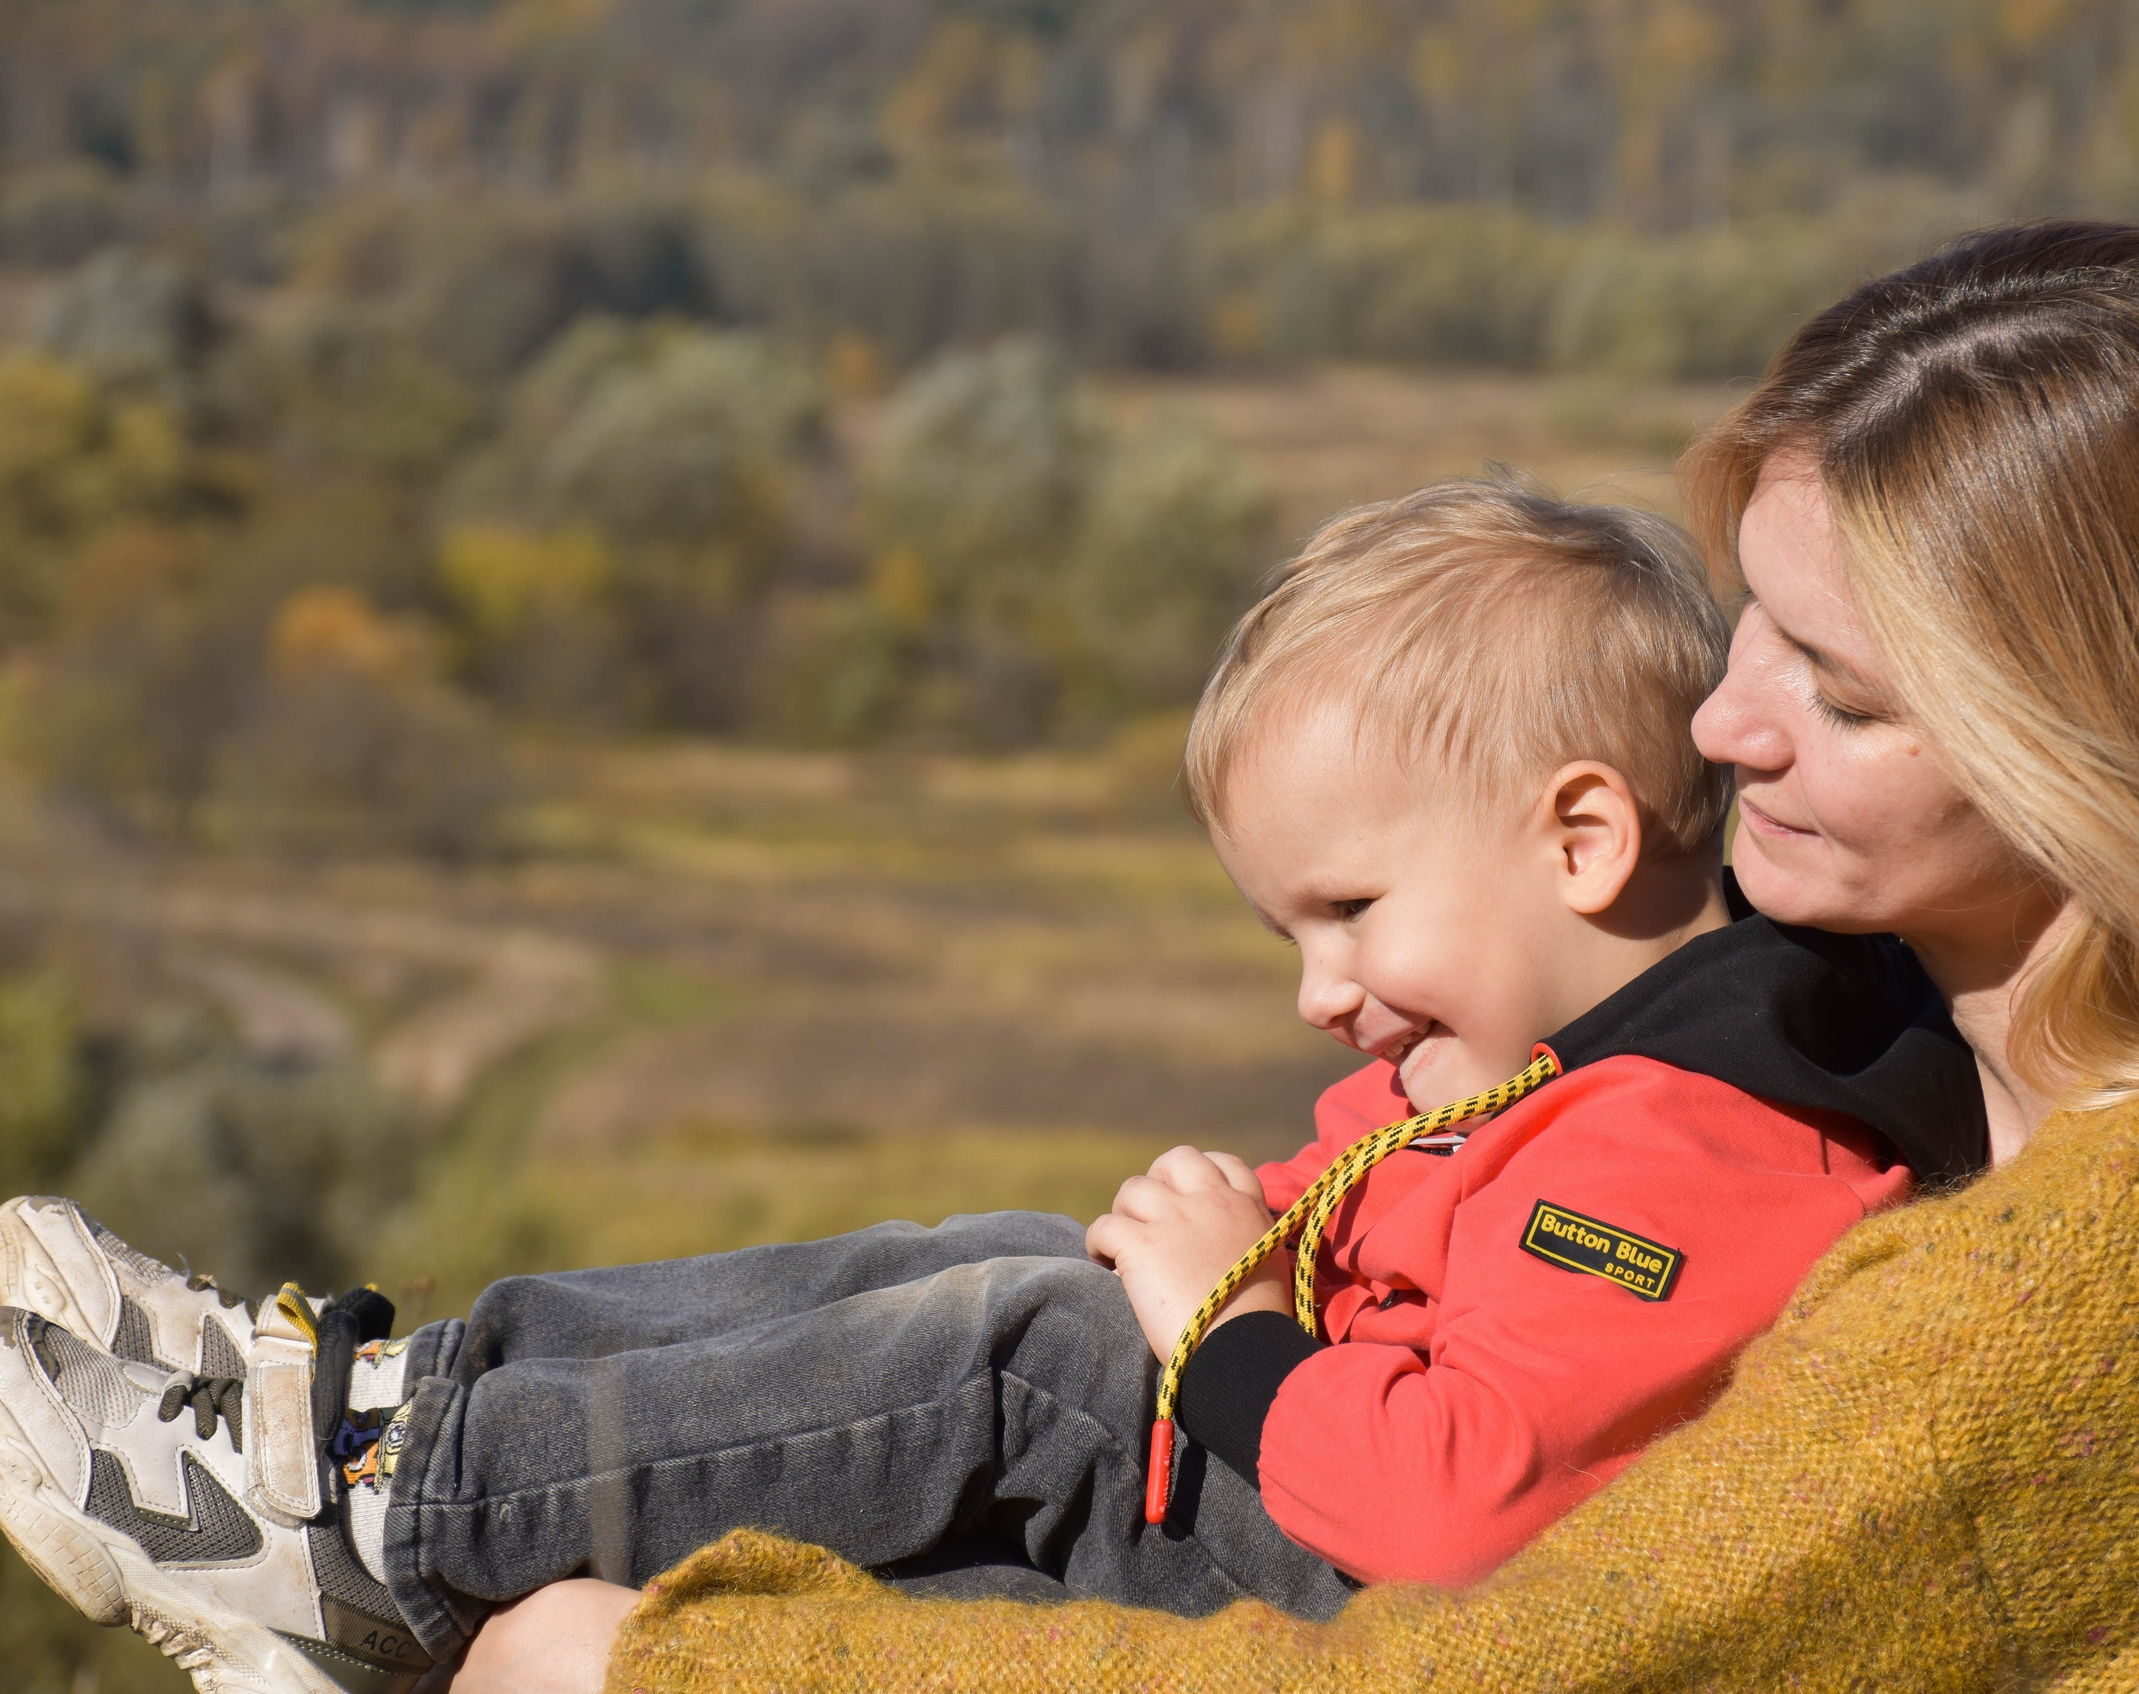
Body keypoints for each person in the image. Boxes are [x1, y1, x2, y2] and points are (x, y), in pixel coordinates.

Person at [439, 219, 2139, 1693]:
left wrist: (659, 1664)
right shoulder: (1924, 1074)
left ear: (2115, 758)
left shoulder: (2130, 1268)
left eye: (1838, 690)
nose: (1723, 725)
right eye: (1750, 623)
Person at [0, 480, 1984, 1694]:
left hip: (1398, 1610)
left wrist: (1227, 1325)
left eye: (1350, 911)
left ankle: (364, 1516)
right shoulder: (1567, 1066)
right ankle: (368, 1414)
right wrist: (1250, 1248)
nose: (1315, 992)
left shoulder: (1689, 1138)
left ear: (1580, 838)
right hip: (1327, 1520)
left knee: (1044, 1350)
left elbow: (1472, 1505)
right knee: (988, 1260)